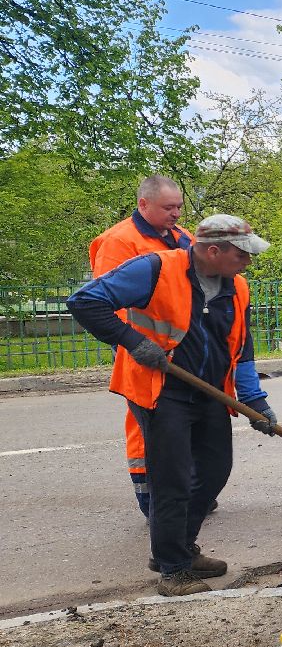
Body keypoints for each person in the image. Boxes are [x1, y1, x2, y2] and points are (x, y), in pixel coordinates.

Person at [67, 215, 278, 597]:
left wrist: (255, 399)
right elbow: (84, 302)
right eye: (242, 254)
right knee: (173, 479)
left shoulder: (238, 287)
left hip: (211, 391)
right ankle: (173, 570)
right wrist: (132, 341)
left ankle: (180, 549)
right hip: (161, 390)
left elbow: (241, 347)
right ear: (213, 251)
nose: (248, 262)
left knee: (214, 470)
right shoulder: (154, 269)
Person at [89, 175, 193, 519]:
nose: (176, 213)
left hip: (179, 349)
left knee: (182, 424)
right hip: (143, 351)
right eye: (169, 207)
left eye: (179, 206)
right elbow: (107, 302)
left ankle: (186, 492)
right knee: (146, 425)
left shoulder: (181, 238)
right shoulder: (120, 242)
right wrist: (135, 345)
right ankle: (151, 499)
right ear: (143, 204)